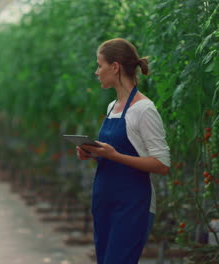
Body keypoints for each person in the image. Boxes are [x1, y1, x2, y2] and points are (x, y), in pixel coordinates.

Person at [76, 38, 171, 264]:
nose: (97, 72)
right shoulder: (112, 107)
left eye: (100, 65)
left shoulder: (144, 109)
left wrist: (114, 156)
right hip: (104, 201)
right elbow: (110, 153)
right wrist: (92, 152)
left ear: (115, 67)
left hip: (132, 205)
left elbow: (162, 164)